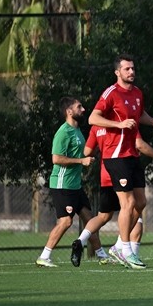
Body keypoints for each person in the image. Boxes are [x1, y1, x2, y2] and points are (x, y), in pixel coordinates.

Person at [87, 54, 153, 268]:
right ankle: (126, 250)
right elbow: (92, 118)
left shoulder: (137, 93)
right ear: (117, 72)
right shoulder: (111, 93)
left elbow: (138, 115)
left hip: (132, 155)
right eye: (127, 69)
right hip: (115, 155)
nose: (131, 72)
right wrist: (118, 125)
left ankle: (119, 245)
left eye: (132, 68)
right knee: (128, 203)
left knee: (140, 203)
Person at [70, 127, 152, 267]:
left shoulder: (96, 127)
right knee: (135, 210)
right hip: (122, 173)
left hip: (106, 176)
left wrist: (100, 148)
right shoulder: (122, 123)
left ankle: (81, 240)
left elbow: (87, 151)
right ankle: (125, 251)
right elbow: (139, 144)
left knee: (103, 216)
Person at [36, 97, 96, 267]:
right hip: (62, 184)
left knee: (90, 219)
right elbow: (56, 159)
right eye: (79, 107)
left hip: (75, 185)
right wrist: (81, 161)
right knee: (66, 222)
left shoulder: (77, 131)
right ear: (69, 112)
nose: (83, 109)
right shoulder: (63, 132)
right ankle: (44, 256)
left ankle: (102, 256)